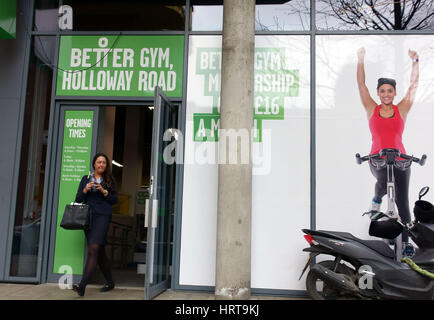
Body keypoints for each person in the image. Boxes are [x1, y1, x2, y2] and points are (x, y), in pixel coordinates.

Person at [356, 47, 419, 256]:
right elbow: (361, 84)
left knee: (403, 201)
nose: (386, 94)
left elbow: (413, 85)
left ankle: (407, 242)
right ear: (378, 93)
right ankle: (376, 199)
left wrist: (415, 61)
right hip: (377, 159)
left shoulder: (401, 109)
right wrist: (361, 59)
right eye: (382, 91)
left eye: (389, 91)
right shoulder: (370, 109)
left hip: (401, 159)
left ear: (394, 93)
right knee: (383, 182)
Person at [72, 153, 118, 296]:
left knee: (93, 247)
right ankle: (110, 282)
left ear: (106, 165)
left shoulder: (110, 180)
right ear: (94, 164)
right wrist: (85, 189)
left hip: (103, 216)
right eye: (99, 162)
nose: (101, 165)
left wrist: (104, 192)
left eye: (104, 163)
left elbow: (114, 200)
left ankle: (82, 286)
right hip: (88, 217)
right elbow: (78, 199)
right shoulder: (86, 179)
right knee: (99, 253)